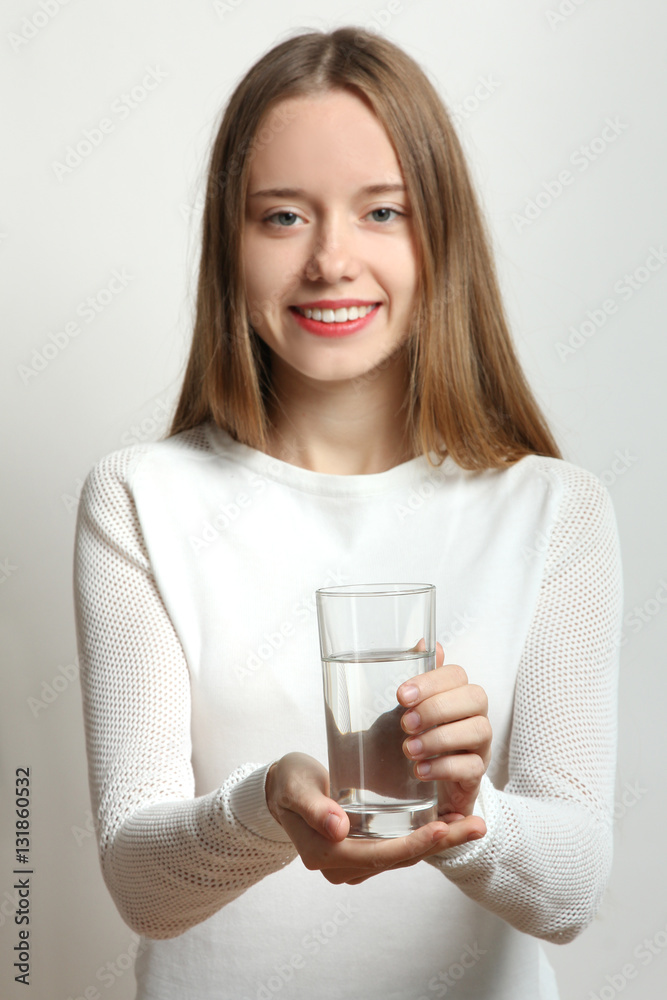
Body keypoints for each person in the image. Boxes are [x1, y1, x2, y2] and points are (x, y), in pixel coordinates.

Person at [73, 27, 623, 1000]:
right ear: (228, 245)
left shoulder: (553, 510)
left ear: (438, 235)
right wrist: (263, 808)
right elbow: (141, 884)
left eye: (381, 211)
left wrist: (469, 809)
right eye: (282, 216)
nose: (332, 258)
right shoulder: (139, 499)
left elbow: (571, 892)